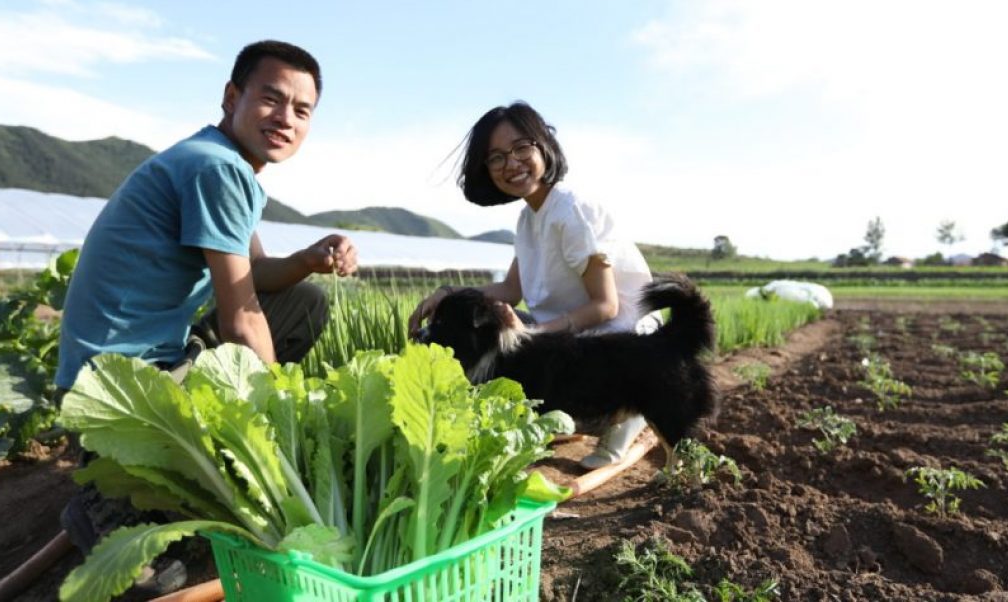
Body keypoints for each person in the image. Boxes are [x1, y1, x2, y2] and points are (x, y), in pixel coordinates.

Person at [54, 40, 356, 595]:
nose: (285, 119)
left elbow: (257, 277)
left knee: (305, 302)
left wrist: (310, 259)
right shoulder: (217, 170)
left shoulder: (217, 160)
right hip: (118, 381)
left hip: (142, 356)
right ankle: (106, 500)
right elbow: (242, 315)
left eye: (302, 110)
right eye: (272, 99)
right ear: (232, 96)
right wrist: (281, 423)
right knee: (158, 571)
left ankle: (195, 464)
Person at [408, 101, 655, 470]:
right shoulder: (529, 218)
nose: (511, 163)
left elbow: (606, 306)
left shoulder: (570, 211)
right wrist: (447, 296)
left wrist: (532, 333)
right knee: (481, 333)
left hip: (619, 349)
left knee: (512, 347)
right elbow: (510, 291)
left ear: (543, 146)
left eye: (521, 148)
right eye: (496, 158)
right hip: (574, 340)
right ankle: (565, 416)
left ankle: (630, 410)